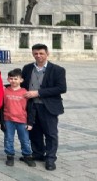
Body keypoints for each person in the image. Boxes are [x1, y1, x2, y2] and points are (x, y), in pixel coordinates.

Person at [21, 43, 67, 171]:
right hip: (31, 106)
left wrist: (38, 93)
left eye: (41, 53)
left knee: (50, 133)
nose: (38, 56)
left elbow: (61, 88)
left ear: (47, 54)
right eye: (36, 53)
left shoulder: (58, 70)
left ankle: (51, 158)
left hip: (48, 106)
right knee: (34, 132)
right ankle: (38, 153)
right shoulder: (27, 68)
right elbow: (22, 83)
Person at [0, 68, 36, 167]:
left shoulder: (26, 92)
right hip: (8, 120)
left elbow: (31, 109)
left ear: (21, 80)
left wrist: (30, 123)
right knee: (8, 139)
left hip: (22, 120)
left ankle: (27, 156)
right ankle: (10, 156)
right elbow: (0, 106)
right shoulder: (4, 91)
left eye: (16, 79)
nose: (13, 81)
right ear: (8, 79)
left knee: (25, 140)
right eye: (11, 79)